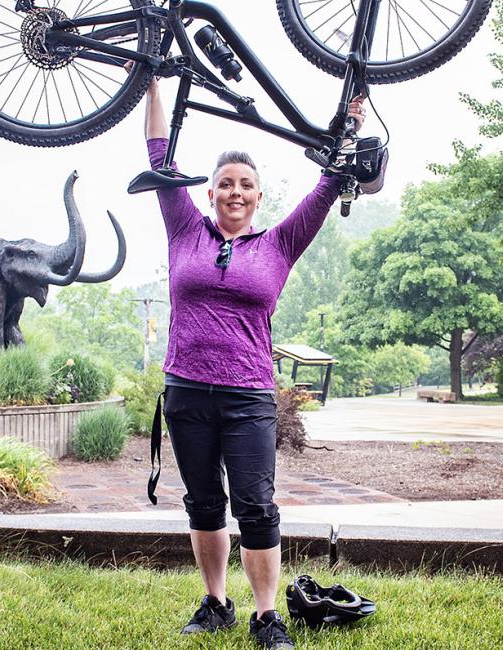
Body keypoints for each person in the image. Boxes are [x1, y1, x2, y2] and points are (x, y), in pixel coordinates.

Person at [141, 74, 366, 650]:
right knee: (203, 502)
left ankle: (267, 615)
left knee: (256, 505)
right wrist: (150, 87)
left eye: (246, 185)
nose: (235, 192)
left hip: (247, 396)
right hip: (187, 390)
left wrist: (351, 124)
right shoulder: (183, 229)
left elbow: (328, 185)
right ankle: (216, 603)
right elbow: (158, 155)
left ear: (258, 196)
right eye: (224, 184)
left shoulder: (279, 245)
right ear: (210, 192)